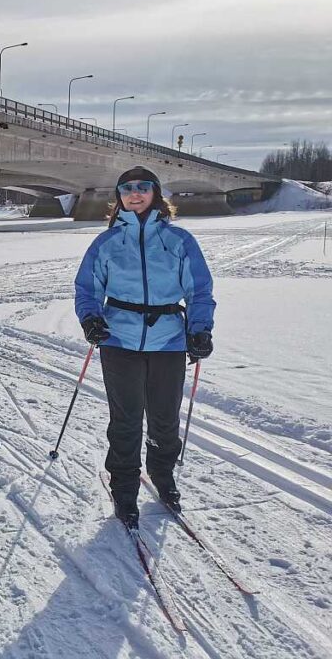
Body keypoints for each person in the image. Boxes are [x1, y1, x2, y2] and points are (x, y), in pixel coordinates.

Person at [74, 166, 216, 528]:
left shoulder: (179, 240)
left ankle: (162, 473)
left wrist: (199, 330)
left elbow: (199, 289)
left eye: (142, 187)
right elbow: (87, 288)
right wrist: (91, 319)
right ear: (119, 197)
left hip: (168, 340)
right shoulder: (106, 243)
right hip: (118, 339)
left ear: (155, 193)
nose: (134, 194)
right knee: (126, 419)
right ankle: (124, 486)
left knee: (164, 418)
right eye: (127, 189)